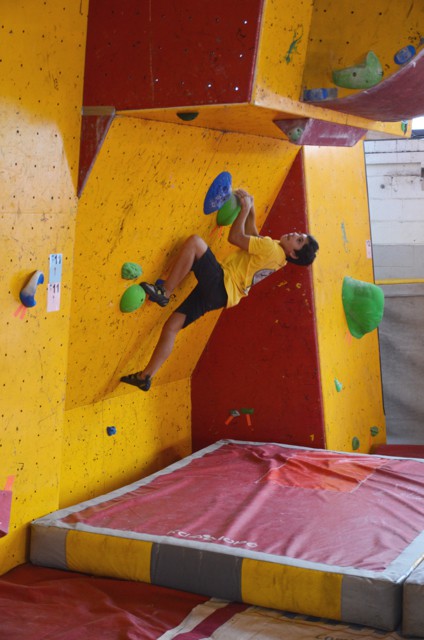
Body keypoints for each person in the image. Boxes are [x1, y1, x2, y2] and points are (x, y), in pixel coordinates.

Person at [121, 189, 319, 391]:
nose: (295, 234)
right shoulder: (279, 257)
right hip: (222, 297)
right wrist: (250, 209)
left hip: (221, 282)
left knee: (195, 243)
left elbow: (235, 237)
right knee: (172, 326)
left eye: (299, 240)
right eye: (300, 235)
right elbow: (255, 237)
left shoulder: (273, 249)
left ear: (294, 254)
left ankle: (164, 291)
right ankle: (146, 376)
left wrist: (244, 210)